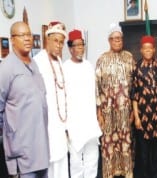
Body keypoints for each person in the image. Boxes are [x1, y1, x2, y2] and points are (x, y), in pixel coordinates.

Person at [0, 21, 49, 177]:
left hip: (41, 151)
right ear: (12, 39)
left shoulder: (34, 64)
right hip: (22, 155)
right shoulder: (6, 68)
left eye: (28, 34)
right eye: (22, 35)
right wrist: (11, 137)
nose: (27, 38)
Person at [95, 23, 135, 178]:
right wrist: (99, 112)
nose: (117, 41)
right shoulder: (102, 59)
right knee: (109, 144)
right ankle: (110, 173)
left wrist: (133, 111)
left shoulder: (129, 58)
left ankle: (127, 172)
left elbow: (135, 87)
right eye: (114, 38)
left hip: (125, 112)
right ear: (109, 40)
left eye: (119, 38)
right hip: (108, 112)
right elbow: (97, 89)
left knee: (126, 143)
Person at [63, 29, 102, 178]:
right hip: (74, 124)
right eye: (77, 45)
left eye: (82, 45)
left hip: (90, 121)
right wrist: (65, 125)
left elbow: (95, 92)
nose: (80, 48)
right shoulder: (65, 68)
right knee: (76, 162)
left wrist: (98, 113)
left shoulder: (88, 65)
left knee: (92, 160)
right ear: (70, 48)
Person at [34, 21, 69, 178]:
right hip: (46, 127)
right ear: (47, 39)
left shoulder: (60, 61)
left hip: (60, 125)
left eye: (61, 42)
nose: (59, 45)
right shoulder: (38, 61)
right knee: (49, 167)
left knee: (62, 163)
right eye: (56, 41)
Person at [131, 35, 157, 178]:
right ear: (141, 50)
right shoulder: (137, 69)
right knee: (144, 154)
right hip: (143, 117)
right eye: (145, 49)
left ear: (154, 50)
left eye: (150, 48)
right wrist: (137, 118)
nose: (148, 51)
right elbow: (134, 95)